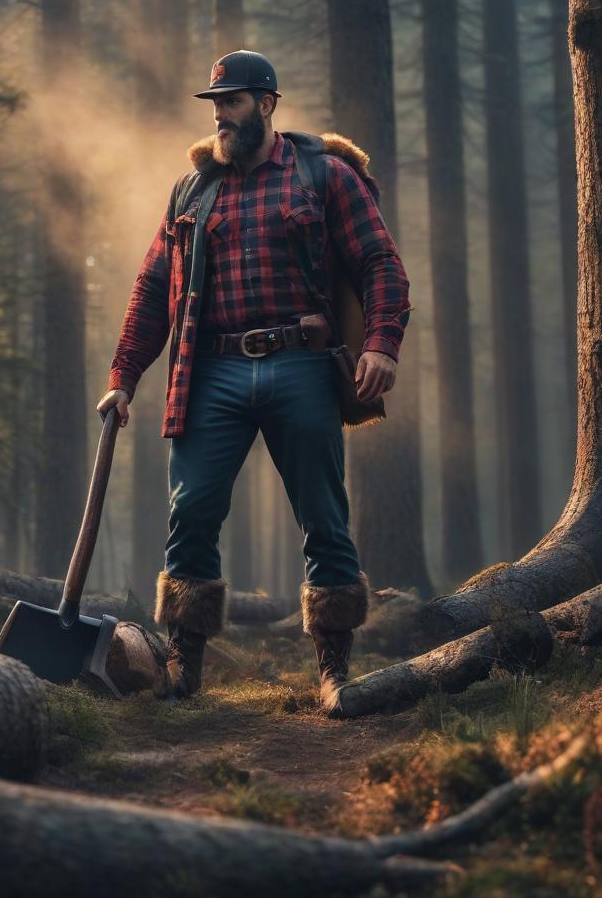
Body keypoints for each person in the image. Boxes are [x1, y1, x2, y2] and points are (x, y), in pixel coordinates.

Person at [96, 50, 411, 710]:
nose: (220, 114)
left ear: (267, 104)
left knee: (323, 519)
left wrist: (381, 345)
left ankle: (333, 670)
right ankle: (184, 665)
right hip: (209, 370)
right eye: (215, 103)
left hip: (301, 363)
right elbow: (152, 290)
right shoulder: (192, 191)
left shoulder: (322, 174)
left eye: (232, 101)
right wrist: (123, 376)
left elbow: (381, 263)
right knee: (192, 513)